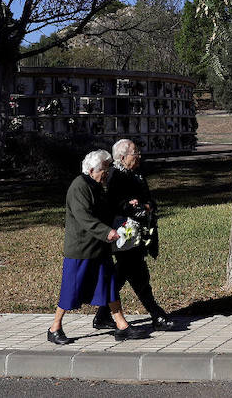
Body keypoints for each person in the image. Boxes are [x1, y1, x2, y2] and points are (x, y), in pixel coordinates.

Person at [46, 149, 141, 344]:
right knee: (70, 290)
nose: (106, 174)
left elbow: (108, 208)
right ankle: (54, 327)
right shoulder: (78, 187)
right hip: (81, 249)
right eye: (103, 170)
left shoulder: (98, 186)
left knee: (109, 286)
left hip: (99, 248)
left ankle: (122, 325)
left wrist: (126, 206)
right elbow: (84, 218)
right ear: (91, 170)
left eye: (107, 169)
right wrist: (107, 232)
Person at [92, 138, 176, 331]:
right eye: (135, 153)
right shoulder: (114, 176)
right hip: (124, 236)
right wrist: (135, 207)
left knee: (122, 275)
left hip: (138, 234)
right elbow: (115, 204)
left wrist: (146, 206)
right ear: (122, 157)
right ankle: (157, 315)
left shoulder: (136, 173)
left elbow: (148, 200)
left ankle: (102, 315)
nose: (139, 156)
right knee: (138, 275)